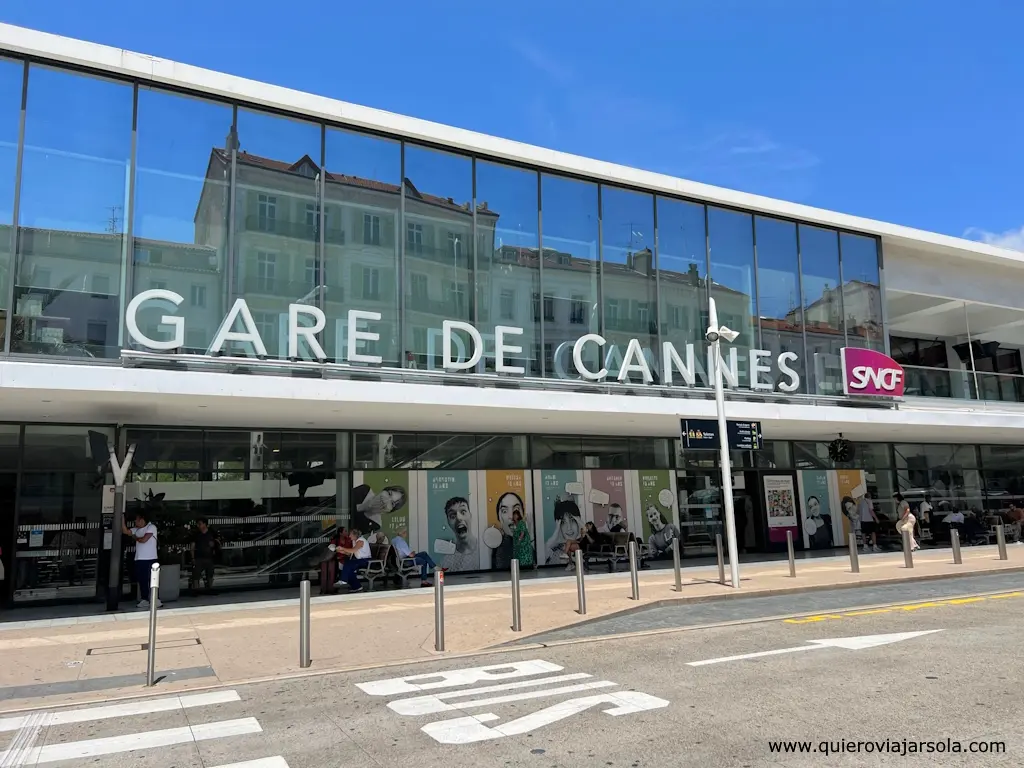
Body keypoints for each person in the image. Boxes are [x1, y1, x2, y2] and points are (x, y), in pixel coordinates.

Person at [122, 511, 160, 609]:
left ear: (142, 520)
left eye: (137, 519)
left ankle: (155, 599)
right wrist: (122, 520)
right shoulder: (136, 529)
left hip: (150, 558)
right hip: (140, 558)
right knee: (142, 580)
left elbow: (143, 540)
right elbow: (126, 531)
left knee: (152, 579)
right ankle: (145, 599)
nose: (135, 521)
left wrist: (134, 537)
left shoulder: (151, 527)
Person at [440, 496, 479, 571]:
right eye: (452, 516)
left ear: (470, 515)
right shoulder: (447, 562)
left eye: (463, 512)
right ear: (448, 522)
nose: (458, 518)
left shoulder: (485, 551)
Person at [490, 492, 523, 570]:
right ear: (499, 518)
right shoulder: (500, 548)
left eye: (516, 509)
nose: (511, 516)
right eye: (504, 511)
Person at [545, 497, 582, 565]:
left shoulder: (582, 541)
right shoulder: (555, 552)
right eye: (563, 522)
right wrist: (556, 531)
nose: (569, 528)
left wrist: (580, 523)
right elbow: (547, 549)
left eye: (572, 520)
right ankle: (570, 564)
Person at [335, 526, 371, 593]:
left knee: (348, 564)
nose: (349, 536)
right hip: (359, 560)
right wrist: (340, 551)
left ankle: (343, 580)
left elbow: (353, 550)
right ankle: (357, 586)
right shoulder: (355, 541)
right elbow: (349, 553)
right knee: (348, 567)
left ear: (355, 535)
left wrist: (342, 548)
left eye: (351, 534)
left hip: (365, 561)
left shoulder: (360, 541)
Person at [190, 518, 218, 593]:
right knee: (196, 574)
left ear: (205, 524)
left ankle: (210, 588)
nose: (198, 526)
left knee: (210, 574)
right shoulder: (196, 534)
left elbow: (217, 543)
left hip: (209, 557)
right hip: (199, 557)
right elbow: (192, 546)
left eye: (200, 523)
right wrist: (193, 558)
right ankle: (196, 589)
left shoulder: (211, 533)